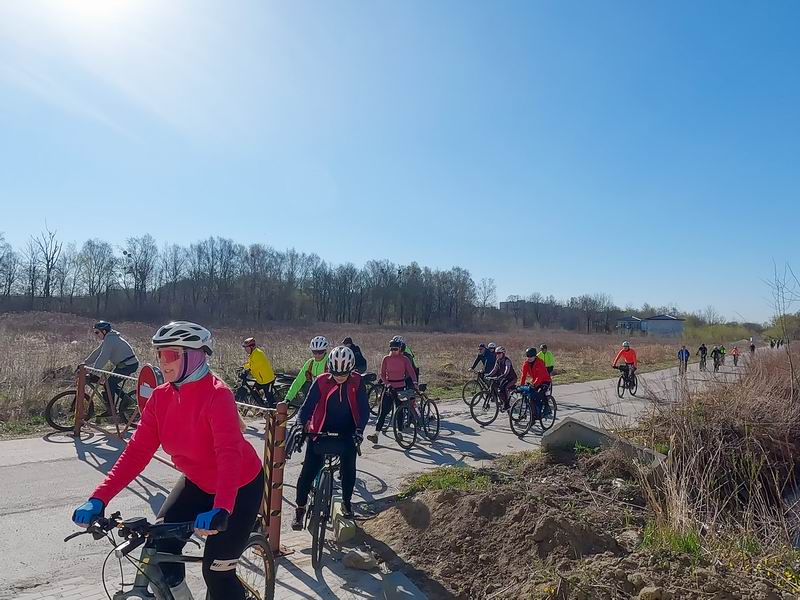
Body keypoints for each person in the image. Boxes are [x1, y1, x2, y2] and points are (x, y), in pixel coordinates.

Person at [70, 322, 263, 600]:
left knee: (217, 573)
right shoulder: (160, 398)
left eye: (170, 355)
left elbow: (229, 455)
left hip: (239, 487)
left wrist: (222, 507)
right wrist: (99, 498)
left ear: (194, 355)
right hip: (197, 482)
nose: (163, 362)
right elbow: (136, 453)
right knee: (160, 547)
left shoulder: (217, 395)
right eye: (159, 354)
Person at [291, 346, 369, 529]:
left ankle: (347, 503)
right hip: (320, 429)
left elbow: (364, 409)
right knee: (307, 473)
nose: (340, 377)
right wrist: (298, 425)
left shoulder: (357, 381)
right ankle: (300, 508)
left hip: (347, 430)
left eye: (344, 374)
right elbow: (306, 406)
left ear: (351, 370)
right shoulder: (321, 381)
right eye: (335, 373)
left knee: (349, 467)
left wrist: (359, 430)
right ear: (329, 369)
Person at [84, 321, 139, 415]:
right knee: (109, 384)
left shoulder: (110, 340)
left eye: (97, 332)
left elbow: (104, 357)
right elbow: (98, 352)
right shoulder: (108, 339)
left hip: (128, 365)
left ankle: (112, 410)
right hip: (122, 365)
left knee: (109, 384)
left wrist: (94, 371)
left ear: (104, 331)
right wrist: (85, 362)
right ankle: (127, 400)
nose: (96, 335)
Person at [367, 339, 417, 443]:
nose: (393, 351)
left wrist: (415, 383)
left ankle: (400, 433)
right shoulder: (386, 359)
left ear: (399, 349)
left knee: (400, 410)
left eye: (396, 349)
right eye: (392, 349)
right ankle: (376, 434)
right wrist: (387, 383)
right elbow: (382, 374)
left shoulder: (404, 359)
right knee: (383, 412)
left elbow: (411, 372)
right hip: (389, 387)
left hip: (401, 387)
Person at [285, 336, 330, 403]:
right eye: (314, 352)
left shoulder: (330, 363)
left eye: (320, 352)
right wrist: (287, 399)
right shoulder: (309, 363)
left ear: (325, 350)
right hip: (313, 395)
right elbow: (298, 381)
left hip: (327, 397)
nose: (317, 355)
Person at [241, 337, 276, 406]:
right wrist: (243, 367)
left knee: (270, 399)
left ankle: (275, 413)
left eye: (246, 347)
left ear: (252, 347)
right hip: (261, 380)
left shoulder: (258, 354)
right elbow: (250, 364)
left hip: (267, 380)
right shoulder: (252, 354)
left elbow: (253, 366)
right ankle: (263, 406)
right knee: (254, 391)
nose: (245, 349)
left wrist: (246, 369)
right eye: (244, 348)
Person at [519, 347, 552, 412]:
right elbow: (524, 375)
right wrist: (521, 386)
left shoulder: (540, 362)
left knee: (540, 393)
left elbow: (540, 376)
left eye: (531, 356)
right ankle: (534, 416)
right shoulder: (526, 364)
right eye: (528, 356)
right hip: (535, 380)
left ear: (535, 356)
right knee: (532, 396)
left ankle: (547, 406)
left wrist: (534, 384)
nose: (529, 358)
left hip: (545, 380)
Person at [485, 346, 517, 411]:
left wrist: (502, 376)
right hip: (505, 378)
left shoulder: (507, 361)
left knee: (504, 388)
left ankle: (507, 404)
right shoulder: (498, 360)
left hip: (512, 378)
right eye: (496, 353)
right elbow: (494, 370)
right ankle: (502, 400)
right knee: (499, 388)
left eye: (499, 353)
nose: (498, 354)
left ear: (503, 353)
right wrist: (488, 375)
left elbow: (507, 370)